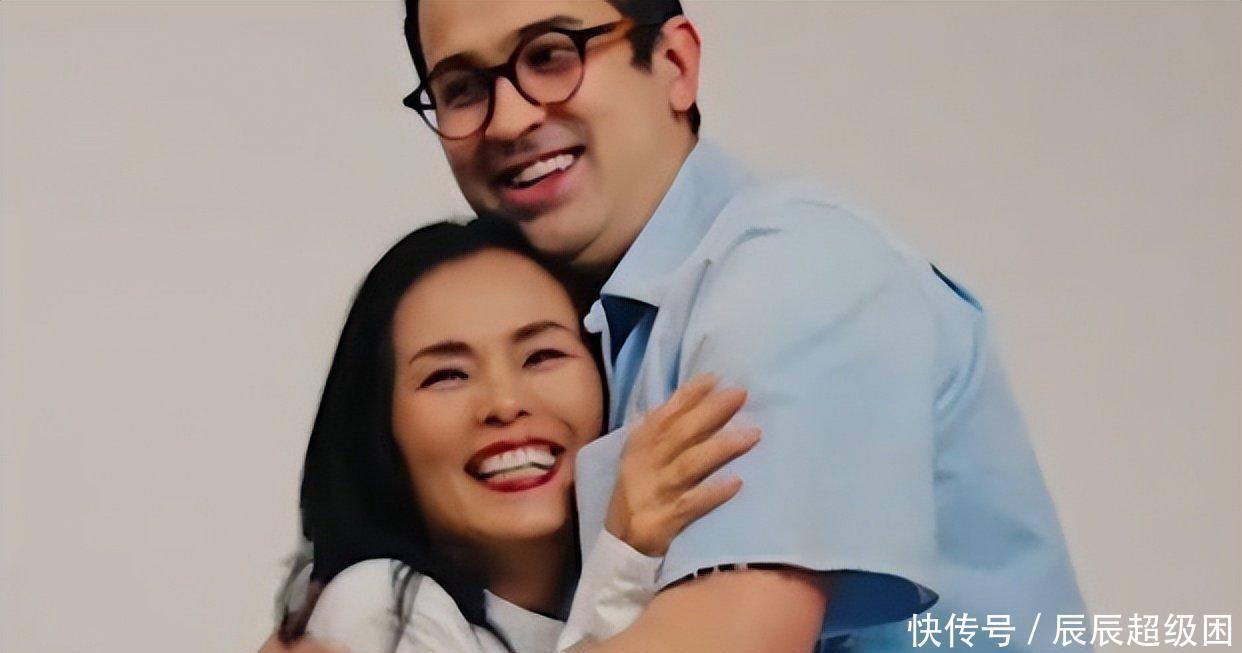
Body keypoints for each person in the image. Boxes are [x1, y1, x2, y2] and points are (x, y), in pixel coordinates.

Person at [397, 1, 1089, 651]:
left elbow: (731, 636)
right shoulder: (604, 329)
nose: (508, 119)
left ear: (674, 64)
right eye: (462, 88)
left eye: (550, 56)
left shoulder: (788, 271)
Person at [262, 217, 764, 653]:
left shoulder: (683, 593)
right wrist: (623, 567)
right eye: (447, 375)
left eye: (542, 355)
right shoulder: (379, 604)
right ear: (380, 428)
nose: (505, 403)